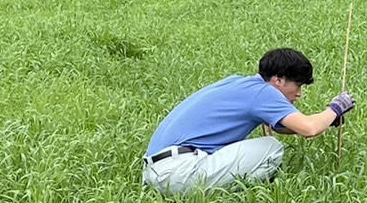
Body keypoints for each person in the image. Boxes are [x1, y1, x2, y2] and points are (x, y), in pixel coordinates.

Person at [142, 47, 354, 194]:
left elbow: (283, 126)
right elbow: (309, 128)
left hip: (156, 172)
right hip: (179, 173)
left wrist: (329, 119)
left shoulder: (238, 83)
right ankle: (241, 197)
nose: (299, 94)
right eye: (297, 85)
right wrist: (335, 108)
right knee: (271, 148)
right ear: (278, 80)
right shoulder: (264, 93)